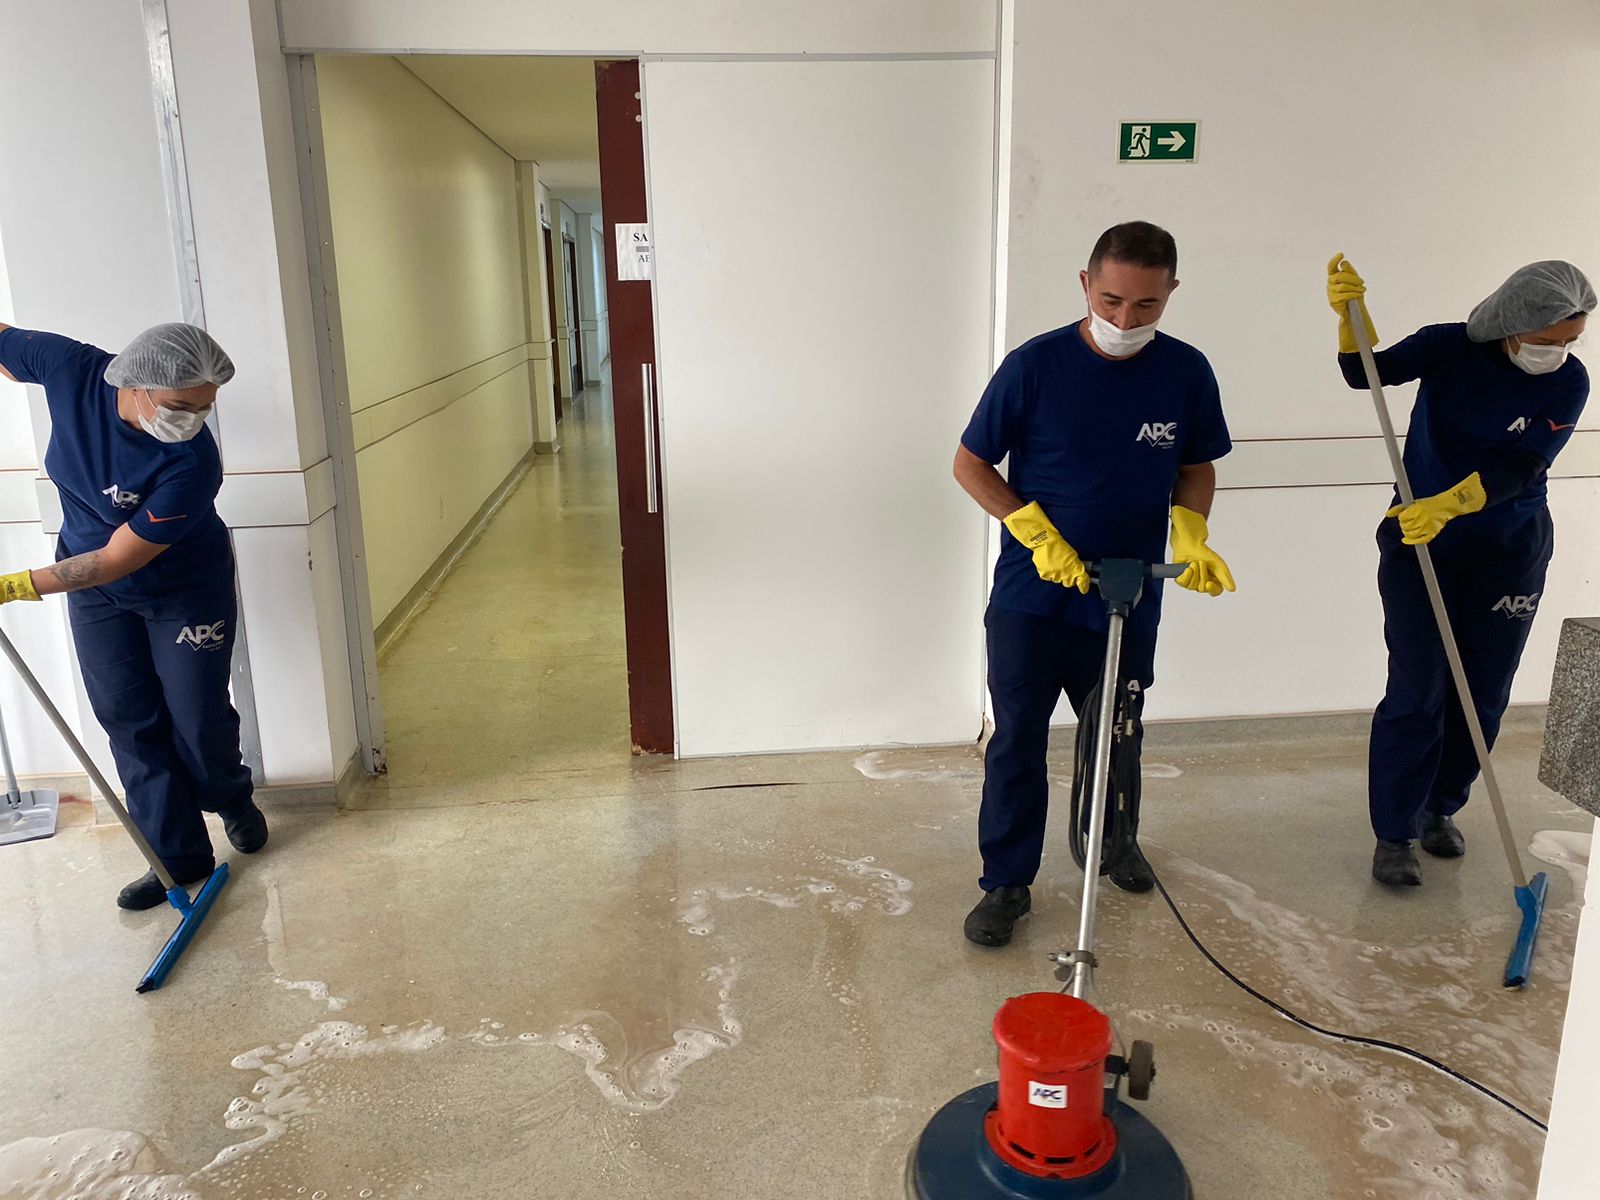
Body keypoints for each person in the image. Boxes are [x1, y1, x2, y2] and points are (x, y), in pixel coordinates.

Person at [954, 221, 1235, 947]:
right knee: (1018, 739)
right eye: (1110, 301)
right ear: (1085, 284)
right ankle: (1006, 882)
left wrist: (1191, 532)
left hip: (1128, 590)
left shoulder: (1186, 372)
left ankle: (1113, 843)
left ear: (1171, 293)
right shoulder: (1034, 366)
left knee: (1117, 731)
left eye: (1146, 305)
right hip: (1034, 596)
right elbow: (970, 464)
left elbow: (1196, 466)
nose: (1124, 319)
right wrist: (1033, 530)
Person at [1327, 256, 1594, 887]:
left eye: (1570, 341)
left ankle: (1439, 808)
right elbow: (1366, 375)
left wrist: (1450, 503)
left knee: (1483, 691)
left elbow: (1524, 466)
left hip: (1509, 546)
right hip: (1419, 543)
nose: (1556, 353)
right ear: (1510, 324)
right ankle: (1394, 832)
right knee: (1417, 687)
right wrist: (1350, 320)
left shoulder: (1569, 381)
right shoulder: (1448, 346)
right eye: (1546, 339)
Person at [0, 321, 267, 909]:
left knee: (196, 718)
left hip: (183, 590)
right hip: (96, 596)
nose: (193, 420)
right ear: (136, 385)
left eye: (205, 407)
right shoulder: (71, 368)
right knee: (127, 718)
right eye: (181, 406)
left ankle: (230, 796)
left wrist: (13, 586)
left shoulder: (194, 462)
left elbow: (116, 559)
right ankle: (177, 857)